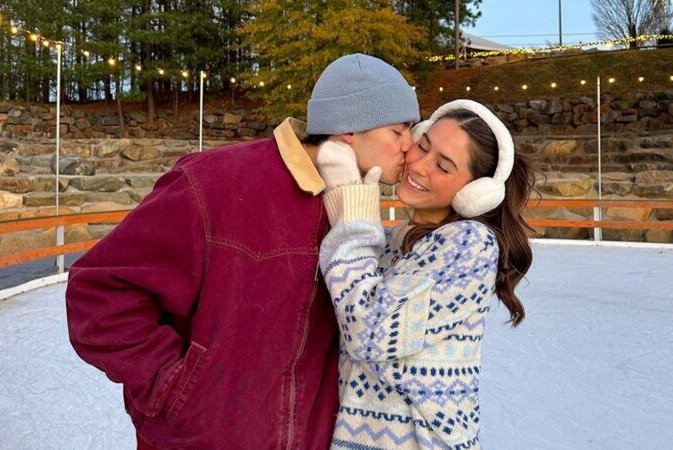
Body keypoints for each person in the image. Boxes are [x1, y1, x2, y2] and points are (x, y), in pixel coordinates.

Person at [65, 53, 419, 449]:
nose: (410, 146)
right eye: (399, 130)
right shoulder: (215, 182)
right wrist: (175, 390)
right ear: (351, 128)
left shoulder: (359, 212)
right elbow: (99, 293)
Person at [315, 99, 537, 448]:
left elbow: (370, 331)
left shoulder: (469, 245)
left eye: (444, 166)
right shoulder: (394, 241)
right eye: (422, 145)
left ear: (472, 193)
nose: (418, 165)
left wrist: (354, 214)